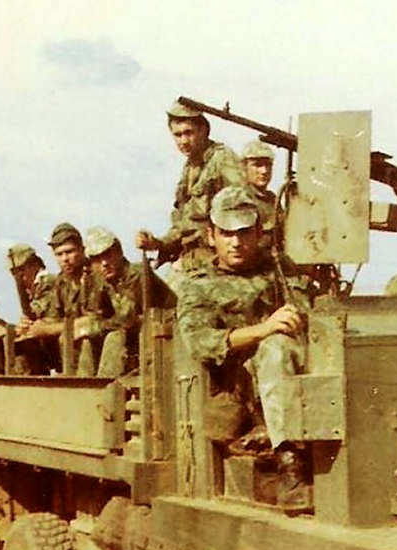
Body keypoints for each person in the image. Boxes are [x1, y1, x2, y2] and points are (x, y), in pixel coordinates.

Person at [174, 186, 313, 511]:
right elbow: (201, 342)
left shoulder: (281, 269)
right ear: (211, 236)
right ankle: (290, 467)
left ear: (259, 233)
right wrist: (265, 330)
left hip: (295, 378)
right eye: (227, 233)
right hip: (241, 391)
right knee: (275, 348)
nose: (236, 242)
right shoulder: (199, 285)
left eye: (244, 232)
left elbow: (309, 312)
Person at [136, 100, 244, 271]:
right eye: (177, 135)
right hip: (190, 257)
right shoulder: (190, 167)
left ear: (204, 130)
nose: (184, 141)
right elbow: (184, 225)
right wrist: (157, 243)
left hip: (216, 260)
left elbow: (242, 211)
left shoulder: (222, 159)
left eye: (189, 133)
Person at [24, 223, 113, 376]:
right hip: (72, 347)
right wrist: (33, 326)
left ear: (82, 250)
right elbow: (53, 317)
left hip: (104, 339)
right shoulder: (61, 282)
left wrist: (49, 329)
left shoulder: (96, 275)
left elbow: (93, 320)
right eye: (59, 254)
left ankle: (83, 383)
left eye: (69, 252)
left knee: (80, 337)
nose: (65, 259)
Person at [83, 226, 172, 376]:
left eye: (108, 254)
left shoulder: (137, 274)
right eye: (97, 259)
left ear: (119, 252)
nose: (104, 263)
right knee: (88, 341)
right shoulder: (102, 281)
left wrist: (92, 327)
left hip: (165, 335)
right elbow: (95, 314)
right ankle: (83, 385)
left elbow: (127, 320)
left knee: (114, 337)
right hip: (138, 338)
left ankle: (106, 387)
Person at [240, 140, 278, 248]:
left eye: (268, 165)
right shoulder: (239, 198)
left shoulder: (273, 199)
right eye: (257, 165)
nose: (264, 171)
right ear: (244, 167)